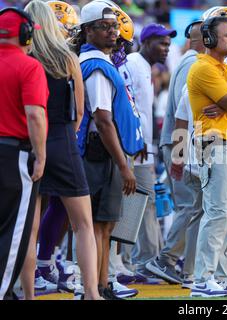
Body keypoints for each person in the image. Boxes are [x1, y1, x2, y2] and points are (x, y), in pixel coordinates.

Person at [18, 0, 102, 300]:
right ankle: (91, 293)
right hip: (62, 140)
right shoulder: (67, 58)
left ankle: (29, 294)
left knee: (29, 229)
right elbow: (79, 111)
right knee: (83, 225)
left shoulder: (23, 58)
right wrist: (66, 135)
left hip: (27, 144)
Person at [74, 0, 144, 299]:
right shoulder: (97, 66)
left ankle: (101, 284)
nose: (113, 32)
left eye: (114, 26)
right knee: (97, 225)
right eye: (104, 26)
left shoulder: (96, 61)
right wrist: (124, 165)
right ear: (87, 31)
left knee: (104, 224)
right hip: (98, 152)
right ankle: (93, 286)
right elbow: (102, 121)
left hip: (100, 151)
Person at [187, 15, 227, 297]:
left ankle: (221, 275)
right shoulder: (204, 68)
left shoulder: (225, 69)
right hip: (216, 144)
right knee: (217, 213)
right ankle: (202, 279)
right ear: (210, 39)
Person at [147, 19, 206, 287]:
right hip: (179, 142)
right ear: (204, 38)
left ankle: (186, 269)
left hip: (179, 142)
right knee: (189, 206)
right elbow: (186, 112)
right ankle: (165, 260)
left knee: (195, 207)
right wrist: (181, 154)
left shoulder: (190, 60)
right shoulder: (193, 63)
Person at [0, 7, 48, 300]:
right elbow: (35, 115)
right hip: (14, 154)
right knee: (14, 233)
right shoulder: (29, 66)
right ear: (25, 34)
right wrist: (41, 155)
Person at [123, 22, 176, 280]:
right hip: (134, 147)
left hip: (144, 147)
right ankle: (138, 261)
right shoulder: (133, 63)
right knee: (139, 203)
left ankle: (140, 261)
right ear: (146, 42)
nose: (166, 48)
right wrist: (136, 142)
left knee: (146, 203)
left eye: (168, 44)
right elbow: (126, 106)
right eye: (161, 43)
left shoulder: (146, 67)